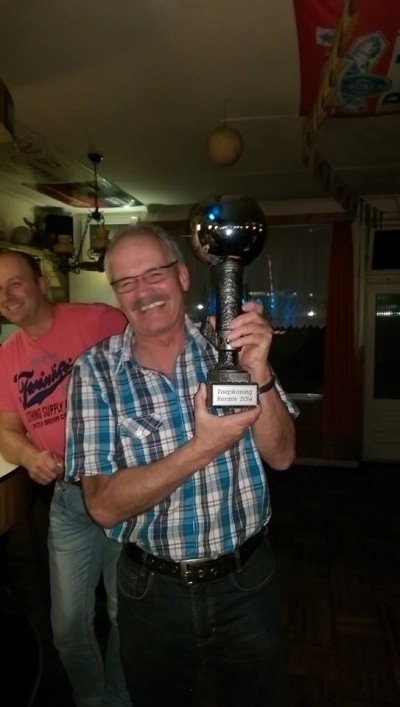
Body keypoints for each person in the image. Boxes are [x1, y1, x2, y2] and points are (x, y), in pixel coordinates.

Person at [65, 223, 297, 707]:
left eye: (154, 274)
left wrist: (259, 371)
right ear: (116, 294)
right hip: (152, 591)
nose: (143, 292)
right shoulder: (95, 371)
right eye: (126, 282)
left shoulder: (229, 346)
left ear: (183, 276)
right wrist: (202, 447)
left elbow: (281, 455)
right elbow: (102, 506)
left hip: (246, 581)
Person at [0, 251, 131, 707]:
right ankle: (94, 699)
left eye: (15, 283)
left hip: (122, 486)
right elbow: (6, 430)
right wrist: (28, 455)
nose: (6, 295)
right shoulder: (7, 356)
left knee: (124, 614)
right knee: (68, 625)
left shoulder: (98, 321)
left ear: (41, 284)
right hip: (68, 499)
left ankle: (121, 699)